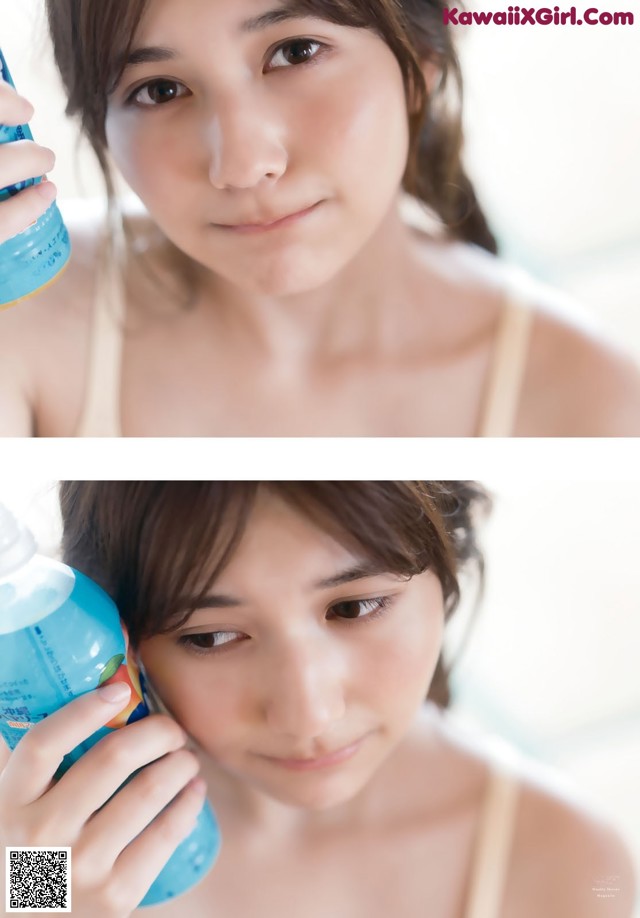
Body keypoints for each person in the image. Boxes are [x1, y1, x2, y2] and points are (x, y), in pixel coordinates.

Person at [0, 0, 639, 436]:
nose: (244, 164)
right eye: (159, 90)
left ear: (422, 59)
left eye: (296, 51)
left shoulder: (594, 404)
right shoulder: (25, 311)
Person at [0, 481, 636, 916]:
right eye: (213, 636)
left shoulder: (572, 866)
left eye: (355, 606)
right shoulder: (33, 842)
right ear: (123, 634)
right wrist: (32, 896)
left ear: (448, 563)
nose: (310, 714)